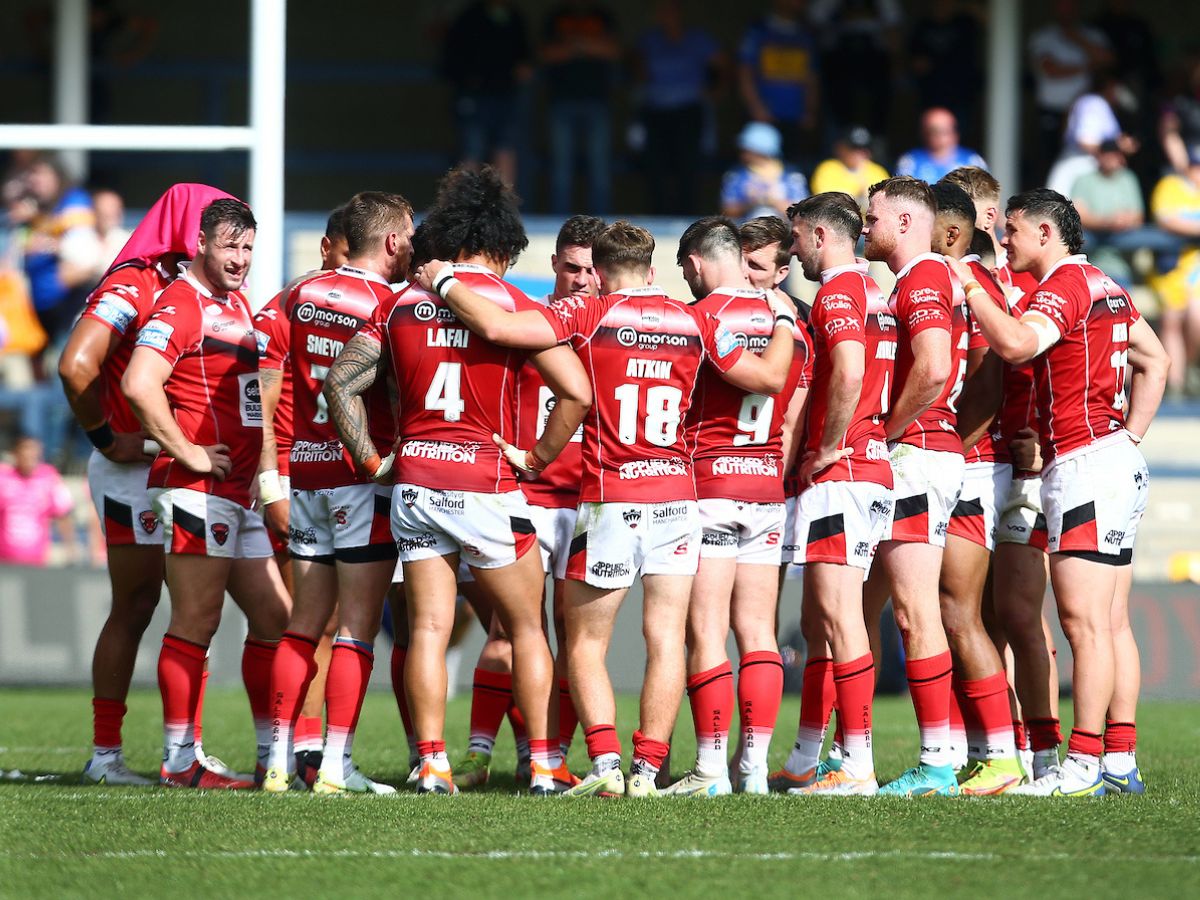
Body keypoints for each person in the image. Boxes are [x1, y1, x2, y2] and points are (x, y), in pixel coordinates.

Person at [413, 219, 796, 798]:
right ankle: (649, 770)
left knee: (585, 642)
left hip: (610, 499)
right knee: (666, 637)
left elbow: (494, 324)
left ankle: (606, 765)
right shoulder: (693, 319)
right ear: (653, 268)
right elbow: (767, 377)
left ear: (602, 271)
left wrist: (442, 280)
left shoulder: (587, 315)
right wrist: (787, 316)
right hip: (677, 498)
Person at [326, 166, 590, 795]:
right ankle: (547, 765)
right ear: (503, 245)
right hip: (485, 482)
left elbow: (340, 384)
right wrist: (535, 458)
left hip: (415, 483)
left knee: (428, 630)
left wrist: (370, 461)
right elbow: (577, 391)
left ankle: (431, 762)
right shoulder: (512, 302)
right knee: (526, 629)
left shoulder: (399, 305)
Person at [950, 188, 1169, 796]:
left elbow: (1018, 344)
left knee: (1083, 624)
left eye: (1013, 229)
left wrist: (970, 285)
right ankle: (1119, 764)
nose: (1004, 240)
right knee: (1110, 623)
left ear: (1046, 233)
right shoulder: (1107, 284)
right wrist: (1131, 438)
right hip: (1110, 460)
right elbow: (1156, 360)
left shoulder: (1065, 284)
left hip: (1084, 464)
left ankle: (1081, 766)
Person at [59, 182, 237, 786]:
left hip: (175, 468)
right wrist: (110, 440)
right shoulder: (131, 284)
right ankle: (109, 756)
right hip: (134, 471)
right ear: (190, 224)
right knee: (138, 607)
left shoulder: (186, 286)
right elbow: (75, 364)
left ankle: (186, 751)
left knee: (191, 608)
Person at [121, 198, 291, 789]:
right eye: (229, 247)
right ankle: (179, 759)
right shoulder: (181, 303)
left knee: (275, 617)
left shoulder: (237, 303)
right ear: (200, 243)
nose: (240, 259)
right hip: (195, 487)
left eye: (247, 248)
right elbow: (139, 383)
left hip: (237, 493)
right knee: (198, 618)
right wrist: (187, 450)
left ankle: (275, 754)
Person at [261, 193, 412, 796]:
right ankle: (334, 765)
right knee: (354, 629)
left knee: (302, 625)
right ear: (393, 243)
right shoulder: (392, 306)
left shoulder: (298, 293)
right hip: (359, 476)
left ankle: (275, 761)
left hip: (305, 473)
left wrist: (270, 470)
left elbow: (267, 374)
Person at [454, 214, 605, 790]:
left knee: (571, 636)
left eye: (592, 270)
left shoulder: (610, 323)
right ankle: (477, 753)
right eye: (572, 268)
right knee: (505, 630)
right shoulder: (525, 318)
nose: (583, 280)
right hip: (522, 494)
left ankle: (548, 755)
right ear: (555, 266)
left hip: (589, 499)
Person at [662, 217, 811, 797]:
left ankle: (710, 769)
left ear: (698, 262)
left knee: (705, 633)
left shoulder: (699, 319)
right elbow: (793, 409)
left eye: (685, 269)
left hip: (713, 488)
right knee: (758, 633)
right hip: (766, 489)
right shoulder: (791, 323)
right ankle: (752, 768)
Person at [941, 165, 1063, 779]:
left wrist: (1034, 437)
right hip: (1005, 461)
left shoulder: (1024, 287)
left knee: (1010, 614)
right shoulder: (1000, 282)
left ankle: (1035, 751)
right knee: (995, 615)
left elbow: (1001, 369)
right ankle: (1012, 748)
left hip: (1006, 465)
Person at [773, 192, 896, 796]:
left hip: (842, 476)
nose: (794, 252)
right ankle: (811, 758)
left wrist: (827, 444)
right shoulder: (879, 294)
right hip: (873, 472)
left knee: (841, 620)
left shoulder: (840, 292)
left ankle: (858, 765)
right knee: (827, 618)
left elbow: (847, 370)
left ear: (821, 235)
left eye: (797, 238)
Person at [860, 175, 967, 797]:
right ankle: (851, 754)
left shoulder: (924, 276)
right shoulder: (915, 279)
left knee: (913, 609)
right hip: (923, 453)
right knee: (860, 606)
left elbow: (933, 366)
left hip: (918, 452)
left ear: (904, 222)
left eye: (874, 217)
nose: (867, 228)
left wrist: (885, 430)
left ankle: (938, 762)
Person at [929, 180, 1024, 794]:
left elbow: (988, 378)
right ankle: (996, 750)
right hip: (977, 463)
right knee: (977, 614)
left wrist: (956, 449)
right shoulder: (965, 282)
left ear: (954, 229)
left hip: (974, 465)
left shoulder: (971, 286)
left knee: (958, 612)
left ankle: (1004, 755)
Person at [253, 205, 350, 788]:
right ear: (325, 246)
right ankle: (292, 749)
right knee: (308, 619)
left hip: (340, 477)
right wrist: (271, 486)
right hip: (297, 476)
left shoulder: (366, 304)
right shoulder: (290, 306)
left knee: (327, 620)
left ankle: (297, 750)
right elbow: (259, 402)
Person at [634, 0, 724, 216]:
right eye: (662, 11)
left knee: (688, 166)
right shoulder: (650, 40)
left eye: (671, 11)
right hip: (656, 111)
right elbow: (636, 67)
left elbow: (723, 63)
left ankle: (688, 218)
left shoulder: (697, 38)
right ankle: (658, 217)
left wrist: (717, 91)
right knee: (655, 167)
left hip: (688, 111)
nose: (667, 15)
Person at [441, 1, 533, 188]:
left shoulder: (513, 16)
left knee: (505, 149)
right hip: (474, 95)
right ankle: (465, 208)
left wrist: (521, 70)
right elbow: (451, 59)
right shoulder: (468, 17)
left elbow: (525, 58)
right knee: (471, 151)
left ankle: (504, 210)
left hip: (507, 94)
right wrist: (469, 78)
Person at [541, 2, 621, 214]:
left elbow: (613, 51)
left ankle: (603, 225)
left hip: (597, 102)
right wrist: (588, 46)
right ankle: (558, 223)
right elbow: (545, 54)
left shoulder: (602, 15)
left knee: (600, 169)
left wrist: (575, 45)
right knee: (561, 170)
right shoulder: (557, 16)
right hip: (561, 103)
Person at [16, 155, 100, 353]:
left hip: (68, 303)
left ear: (57, 177)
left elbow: (83, 252)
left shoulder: (74, 201)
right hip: (34, 307)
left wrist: (44, 240)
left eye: (40, 176)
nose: (34, 183)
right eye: (31, 177)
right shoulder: (35, 209)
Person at [1027, 0, 1112, 182]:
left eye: (1071, 5)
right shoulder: (1043, 36)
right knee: (1049, 163)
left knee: (1087, 163)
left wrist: (1075, 37)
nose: (1067, 10)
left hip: (1084, 112)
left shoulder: (1092, 34)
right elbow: (1050, 69)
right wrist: (1088, 66)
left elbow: (1107, 60)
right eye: (1062, 5)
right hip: (1052, 110)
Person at [736, 0, 820, 158]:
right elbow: (745, 72)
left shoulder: (806, 34)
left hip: (796, 118)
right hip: (764, 117)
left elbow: (811, 77)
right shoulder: (758, 30)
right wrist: (756, 108)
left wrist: (810, 110)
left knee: (792, 169)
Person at [1149, 145, 1200, 397]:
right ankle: (1177, 385)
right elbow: (1165, 219)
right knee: (1172, 320)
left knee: (1196, 316)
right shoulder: (1170, 185)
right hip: (1170, 267)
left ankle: (1190, 370)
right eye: (1195, 166)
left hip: (1195, 269)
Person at [1070, 140, 1144, 287]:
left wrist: (1123, 221)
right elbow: (1077, 216)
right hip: (1089, 265)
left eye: (1114, 155)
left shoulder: (1127, 179)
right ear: (1099, 156)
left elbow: (1138, 216)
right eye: (1107, 155)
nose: (1111, 159)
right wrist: (1107, 222)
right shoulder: (1084, 180)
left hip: (1121, 266)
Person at [908, 0, 984, 139]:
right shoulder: (923, 26)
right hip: (931, 92)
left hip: (961, 92)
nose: (942, 5)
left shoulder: (964, 23)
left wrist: (965, 6)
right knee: (931, 135)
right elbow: (915, 61)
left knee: (960, 134)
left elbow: (996, 22)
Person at [0, 434, 75, 565]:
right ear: (15, 453)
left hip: (37, 562)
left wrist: (71, 551)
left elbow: (63, 514)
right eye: (25, 449)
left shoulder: (49, 477)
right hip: (4, 562)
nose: (29, 454)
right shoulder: (3, 477)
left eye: (34, 450)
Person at [721, 123, 808, 221]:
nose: (741, 152)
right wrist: (751, 203)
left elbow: (802, 213)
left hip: (784, 233)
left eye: (745, 149)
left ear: (758, 150)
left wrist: (772, 201)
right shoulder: (736, 175)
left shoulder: (792, 176)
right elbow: (727, 212)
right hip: (746, 231)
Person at [895, 108, 986, 186]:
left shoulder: (972, 161)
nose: (939, 136)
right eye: (933, 130)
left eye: (944, 130)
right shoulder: (910, 162)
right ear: (923, 133)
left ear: (955, 132)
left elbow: (983, 195)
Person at [809, 127, 889, 211]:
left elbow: (885, 205)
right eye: (853, 148)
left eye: (863, 148)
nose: (858, 153)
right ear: (841, 148)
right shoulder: (827, 168)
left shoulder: (878, 171)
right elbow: (825, 203)